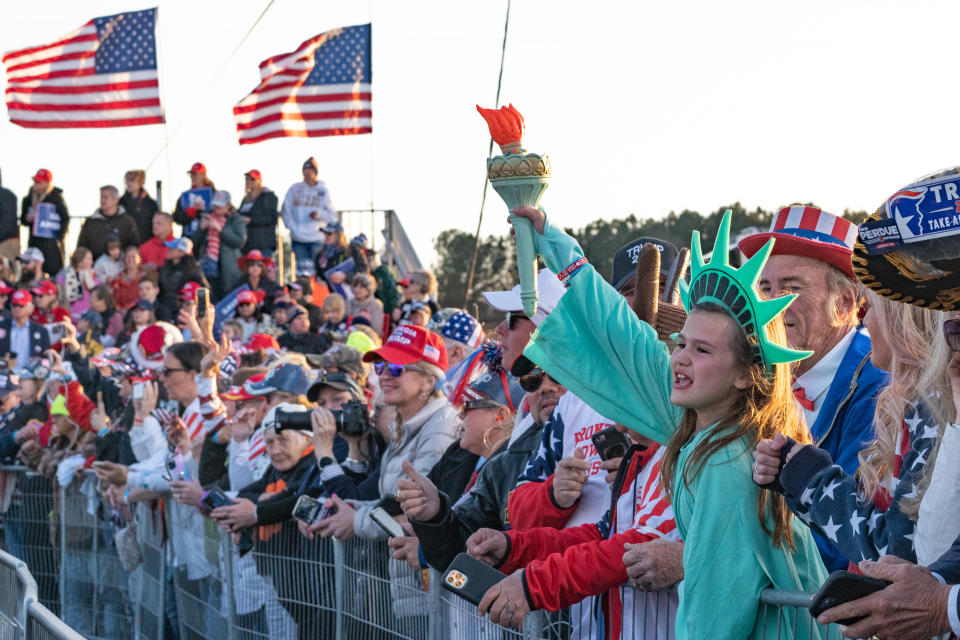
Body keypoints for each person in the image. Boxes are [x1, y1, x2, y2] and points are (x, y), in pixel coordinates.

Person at [504, 207, 827, 637]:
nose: (679, 359)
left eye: (703, 351)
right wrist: (553, 241)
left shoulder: (726, 458)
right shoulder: (697, 419)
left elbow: (716, 613)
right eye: (681, 344)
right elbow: (624, 333)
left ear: (746, 375)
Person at [739, 205, 889, 570]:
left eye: (791, 288)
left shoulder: (878, 389)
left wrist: (722, 559)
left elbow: (850, 538)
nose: (772, 305)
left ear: (845, 302)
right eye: (765, 288)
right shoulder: (758, 380)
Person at [753, 293, 950, 565]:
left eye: (872, 307)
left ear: (903, 318)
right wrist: (792, 472)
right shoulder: (916, 405)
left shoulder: (933, 411)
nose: (865, 319)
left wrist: (811, 479)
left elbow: (898, 554)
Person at [281, 157, 337, 275]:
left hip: (317, 238)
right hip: (299, 238)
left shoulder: (323, 191)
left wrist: (319, 215)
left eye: (310, 170)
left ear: (315, 172)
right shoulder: (295, 189)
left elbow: (332, 215)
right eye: (305, 170)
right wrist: (293, 228)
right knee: (302, 273)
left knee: (319, 271)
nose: (307, 174)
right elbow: (286, 210)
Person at [192, 190, 247, 300]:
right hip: (208, 266)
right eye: (215, 205)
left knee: (226, 297)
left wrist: (220, 230)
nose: (217, 208)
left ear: (227, 205)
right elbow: (194, 243)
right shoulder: (206, 217)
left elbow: (239, 242)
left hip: (228, 269)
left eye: (220, 205)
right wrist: (201, 229)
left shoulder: (236, 220)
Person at [20, 168, 68, 275]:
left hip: (51, 245)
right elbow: (23, 219)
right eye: (35, 181)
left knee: (51, 271)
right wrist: (28, 218)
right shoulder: (28, 198)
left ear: (47, 183)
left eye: (39, 182)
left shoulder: (56, 197)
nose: (36, 184)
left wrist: (59, 238)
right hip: (35, 242)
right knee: (33, 270)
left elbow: (65, 218)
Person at [76, 185, 140, 259]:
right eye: (101, 197)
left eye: (105, 198)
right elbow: (81, 248)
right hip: (95, 267)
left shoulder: (127, 221)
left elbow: (134, 246)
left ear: (116, 200)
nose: (102, 201)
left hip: (120, 267)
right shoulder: (90, 222)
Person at [0, 290, 51, 369]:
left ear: (31, 308)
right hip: (4, 375)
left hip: (31, 377)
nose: (17, 308)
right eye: (14, 305)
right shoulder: (2, 326)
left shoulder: (41, 330)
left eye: (21, 305)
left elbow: (46, 358)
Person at [158, 237, 207, 313]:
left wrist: (201, 312)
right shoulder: (164, 267)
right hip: (164, 308)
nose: (167, 250)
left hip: (184, 311)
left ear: (181, 252)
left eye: (171, 248)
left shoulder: (192, 269)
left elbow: (204, 290)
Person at [238, 169, 279, 257]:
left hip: (263, 244)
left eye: (252, 179)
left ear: (259, 181)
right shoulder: (246, 199)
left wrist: (251, 220)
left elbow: (272, 218)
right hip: (247, 245)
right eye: (247, 179)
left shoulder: (268, 197)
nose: (249, 181)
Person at [173, 161, 215, 238]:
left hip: (208, 237)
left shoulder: (213, 193)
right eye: (191, 174)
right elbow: (177, 218)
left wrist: (198, 212)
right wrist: (188, 215)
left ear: (203, 175)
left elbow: (220, 212)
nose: (193, 177)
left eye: (195, 174)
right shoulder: (184, 196)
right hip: (189, 237)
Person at [55, 247, 98, 321]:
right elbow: (69, 298)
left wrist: (88, 277)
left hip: (88, 318)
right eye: (88, 259)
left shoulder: (93, 276)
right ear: (79, 260)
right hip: (70, 316)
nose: (92, 262)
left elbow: (96, 291)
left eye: (91, 259)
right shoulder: (65, 275)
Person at [119, 169, 159, 244]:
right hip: (126, 246)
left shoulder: (151, 204)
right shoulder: (120, 203)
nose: (128, 183)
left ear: (141, 183)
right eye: (126, 180)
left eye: (132, 180)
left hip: (146, 244)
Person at [110, 246, 144, 312]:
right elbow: (114, 299)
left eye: (134, 257)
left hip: (138, 311)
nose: (130, 259)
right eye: (128, 257)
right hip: (120, 313)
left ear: (140, 259)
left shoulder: (144, 277)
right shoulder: (118, 278)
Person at [0, 169, 20, 263]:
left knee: (5, 275)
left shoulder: (6, 196)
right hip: (6, 241)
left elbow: (7, 222)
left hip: (6, 243)